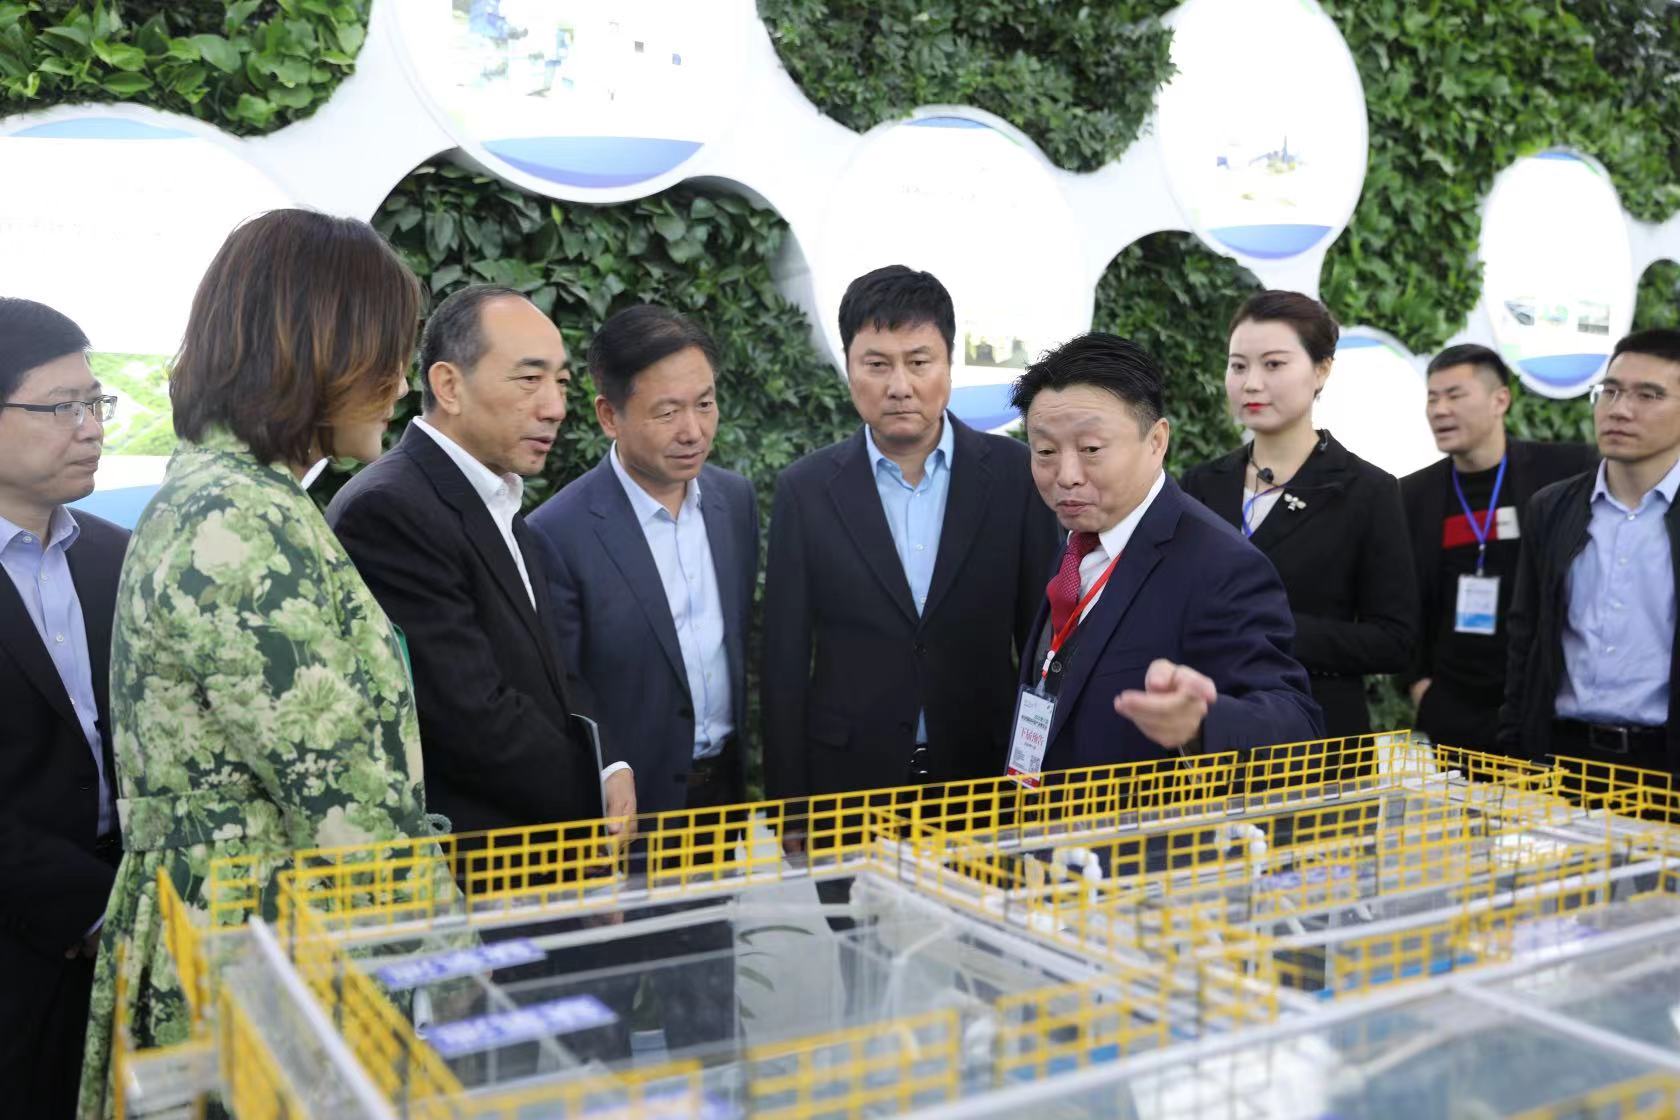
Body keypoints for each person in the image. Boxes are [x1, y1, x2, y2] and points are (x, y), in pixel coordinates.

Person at [79, 210, 437, 1118]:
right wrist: (447, 968)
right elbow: (342, 797)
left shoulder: (230, 495)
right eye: (384, 352)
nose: (399, 382)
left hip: (252, 932)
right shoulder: (237, 515)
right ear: (315, 349)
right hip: (259, 947)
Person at [328, 284, 634, 844]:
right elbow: (468, 718)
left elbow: (546, 670)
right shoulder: (390, 509)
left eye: (562, 382)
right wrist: (590, 796)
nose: (555, 407)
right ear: (449, 385)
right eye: (529, 379)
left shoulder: (497, 496)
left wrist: (609, 762)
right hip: (472, 866)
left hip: (537, 857)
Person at [528, 303, 754, 1055]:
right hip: (619, 821)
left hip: (713, 804)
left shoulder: (735, 503)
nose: (693, 430)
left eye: (705, 404)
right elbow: (563, 685)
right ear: (609, 414)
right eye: (666, 412)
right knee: (600, 1026)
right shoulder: (558, 533)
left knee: (708, 1019)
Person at [761, 265, 1059, 813]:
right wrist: (790, 810)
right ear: (849, 366)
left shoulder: (1016, 477)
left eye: (919, 362)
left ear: (949, 363)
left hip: (984, 781)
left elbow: (1044, 644)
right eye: (877, 365)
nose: (899, 386)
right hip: (848, 789)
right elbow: (783, 663)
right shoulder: (805, 490)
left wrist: (1039, 785)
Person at [1008, 331, 1322, 778]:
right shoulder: (1077, 541)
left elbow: (1297, 724)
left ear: (1156, 441)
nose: (1066, 475)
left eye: (1091, 449)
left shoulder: (1221, 565)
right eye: (1045, 451)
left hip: (1143, 822)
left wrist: (1202, 725)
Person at [1180, 291, 1417, 740]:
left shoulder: (1367, 490)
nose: (1251, 383)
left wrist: (1273, 629)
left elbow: (1393, 640)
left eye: (1273, 364)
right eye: (1238, 366)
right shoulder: (1201, 483)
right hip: (1209, 732)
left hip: (1316, 737)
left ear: (1322, 370)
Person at [0, 299, 126, 1120]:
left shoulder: (116, 554)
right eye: (60, 409)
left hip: (131, 933)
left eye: (95, 403)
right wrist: (86, 906)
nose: (91, 429)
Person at [1400, 344, 1596, 756]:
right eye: (1432, 398)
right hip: (1451, 703)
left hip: (1541, 699)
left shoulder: (1563, 471)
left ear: (1500, 400)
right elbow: (1401, 597)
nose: (1439, 410)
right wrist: (1419, 686)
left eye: (1455, 395)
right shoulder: (1412, 494)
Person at [1500, 329, 1680, 773]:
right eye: (1610, 391)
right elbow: (1526, 636)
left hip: (1664, 762)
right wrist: (1514, 751)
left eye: (1648, 395)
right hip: (1563, 757)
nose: (1619, 410)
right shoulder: (1553, 507)